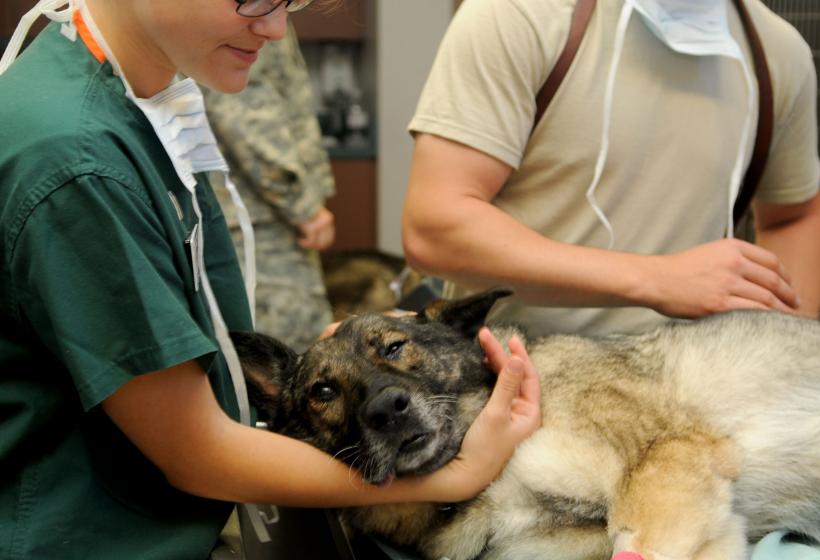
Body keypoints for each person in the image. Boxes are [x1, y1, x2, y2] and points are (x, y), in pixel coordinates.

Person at [0, 1, 542, 559]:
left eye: (292, 4)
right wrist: (456, 474)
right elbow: (197, 452)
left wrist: (355, 357)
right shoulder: (77, 161)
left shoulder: (138, 105)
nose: (278, 28)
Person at [403, 0, 820, 338]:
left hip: (693, 387)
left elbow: (796, 214)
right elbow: (436, 227)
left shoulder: (776, 51)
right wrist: (657, 279)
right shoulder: (520, 13)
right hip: (514, 381)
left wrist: (782, 344)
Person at [203, 23, 335, 353]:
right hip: (258, 219)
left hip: (254, 213)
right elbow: (244, 110)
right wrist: (302, 205)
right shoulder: (250, 12)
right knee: (290, 360)